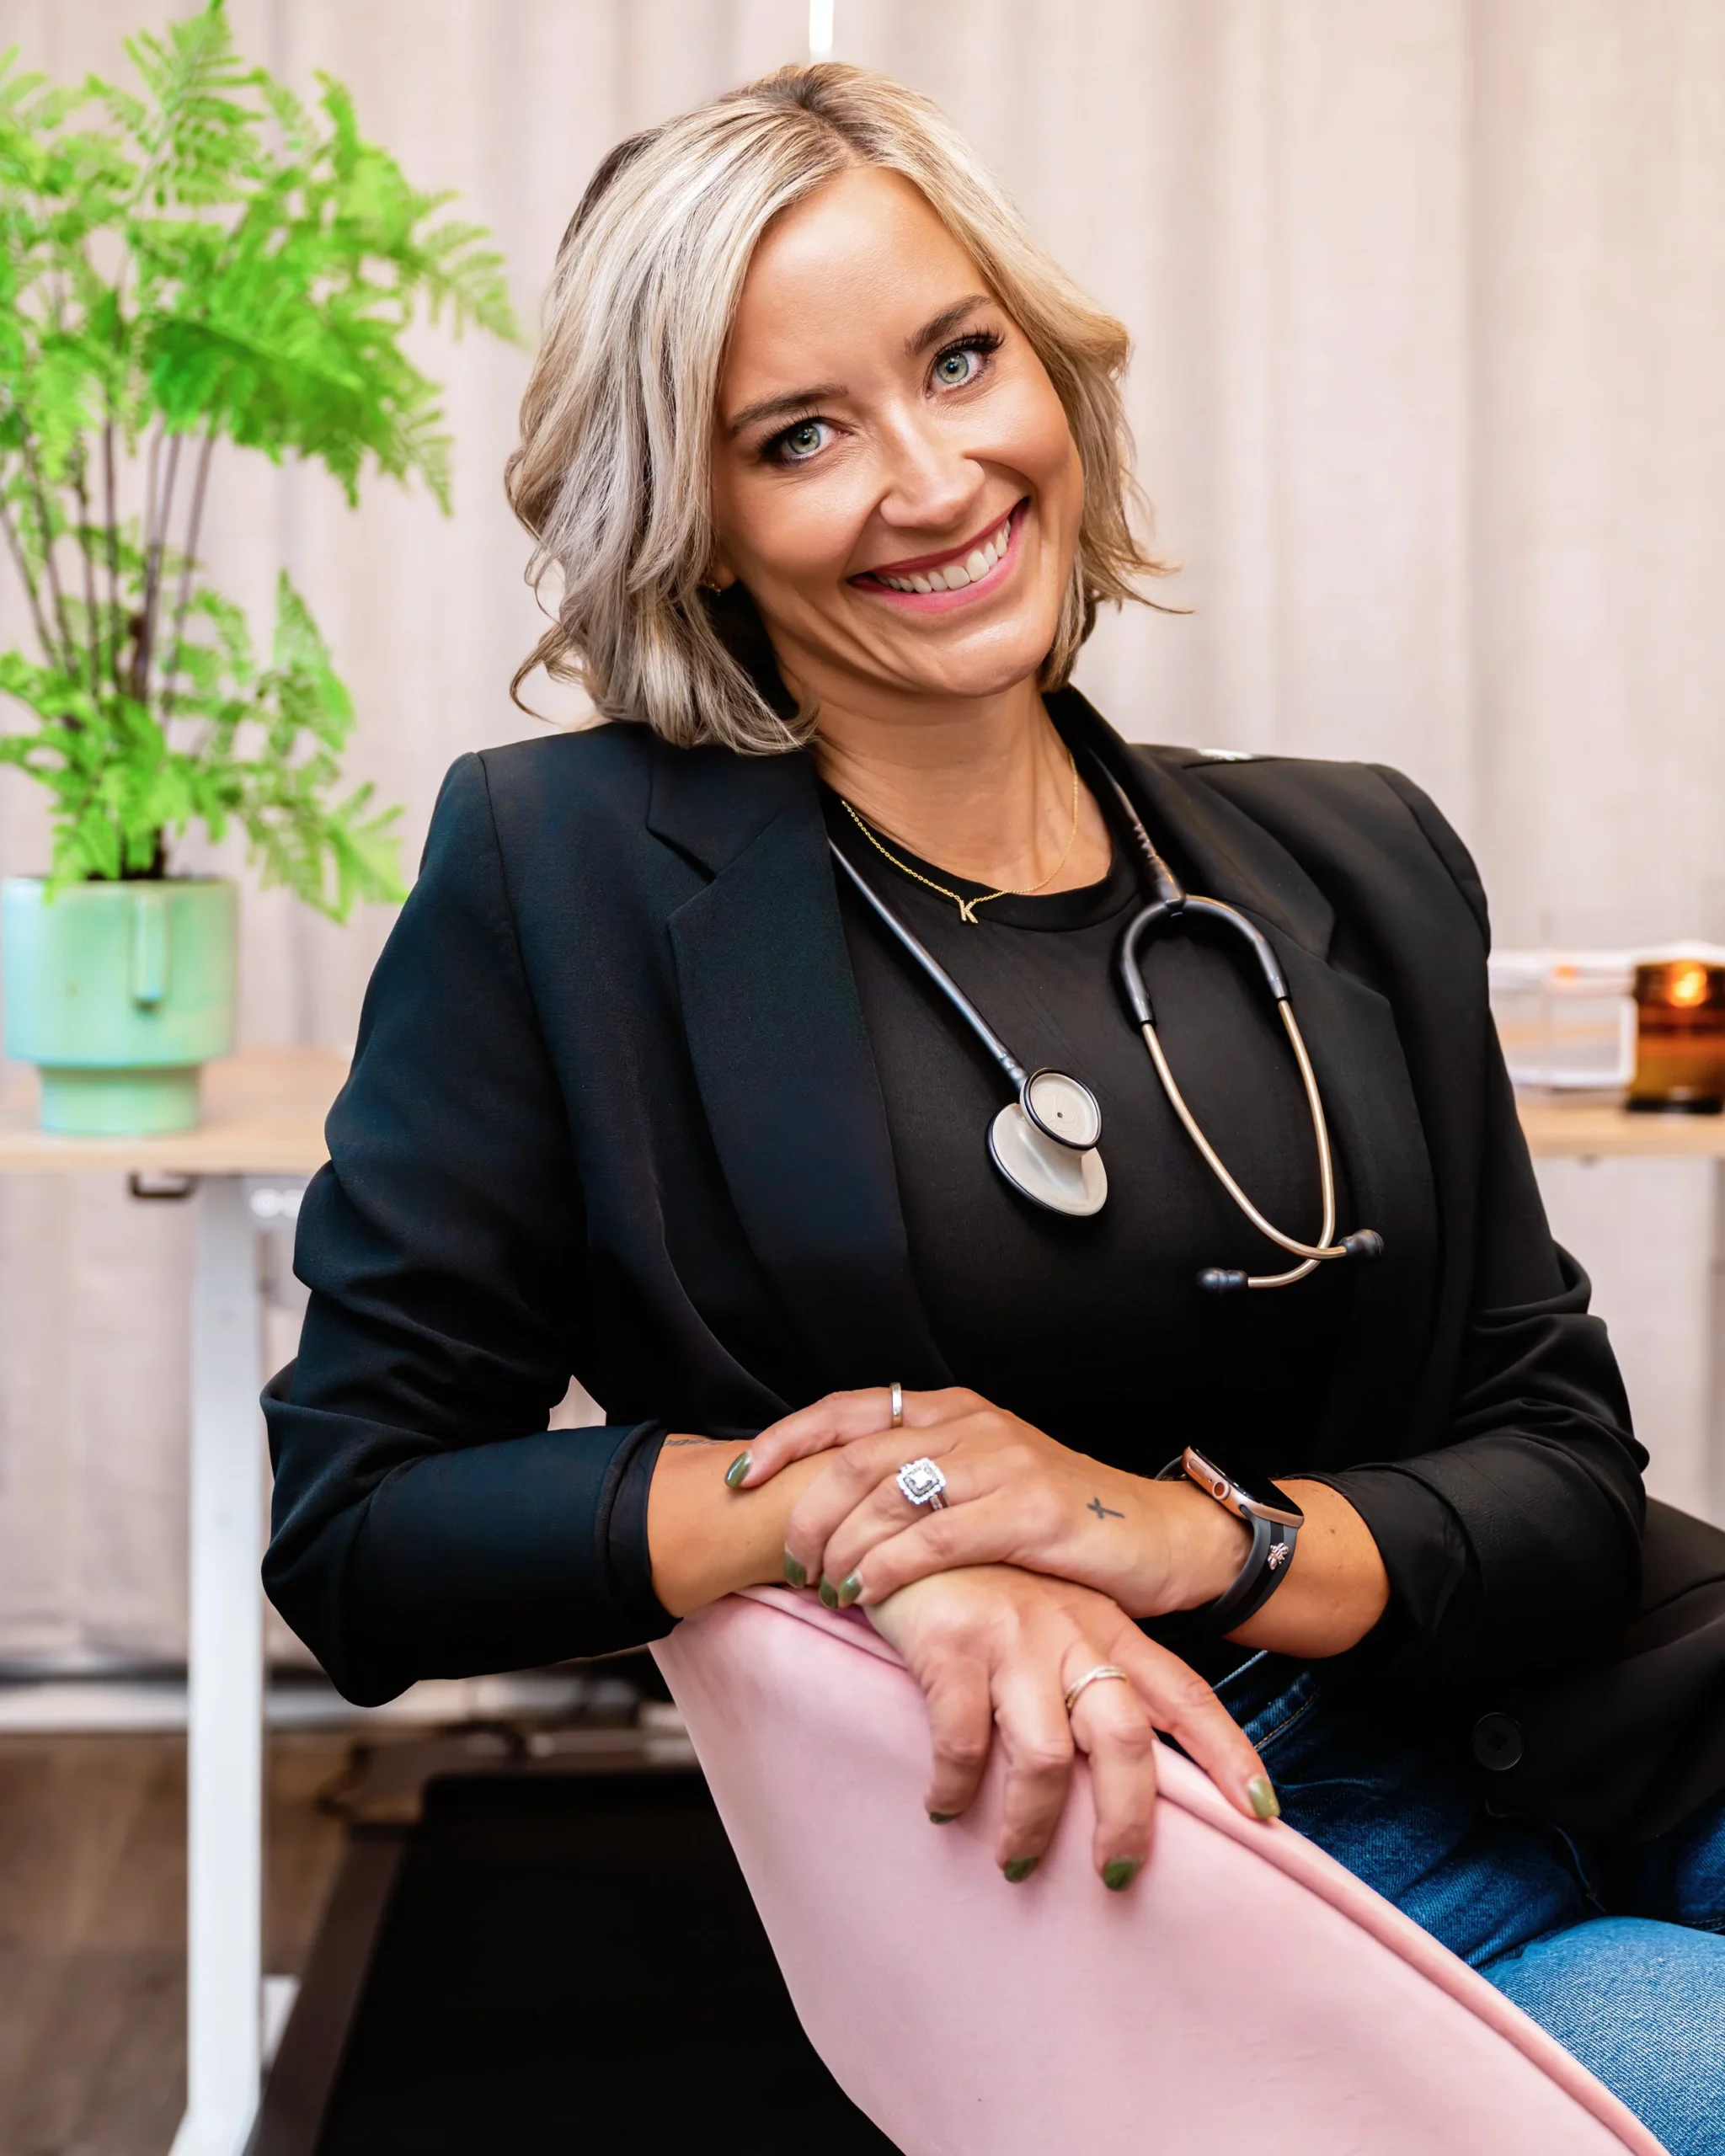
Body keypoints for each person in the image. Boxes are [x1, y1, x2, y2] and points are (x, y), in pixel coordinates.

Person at [263, 62, 1725, 2153]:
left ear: (1050, 367)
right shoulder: (563, 875)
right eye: (798, 434)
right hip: (1219, 1855)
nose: (932, 477)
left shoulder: (1356, 854)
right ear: (698, 524)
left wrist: (1176, 1531)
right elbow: (364, 1523)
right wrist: (869, 1527)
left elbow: (1563, 1473)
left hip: (1637, 1719)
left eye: (959, 360)